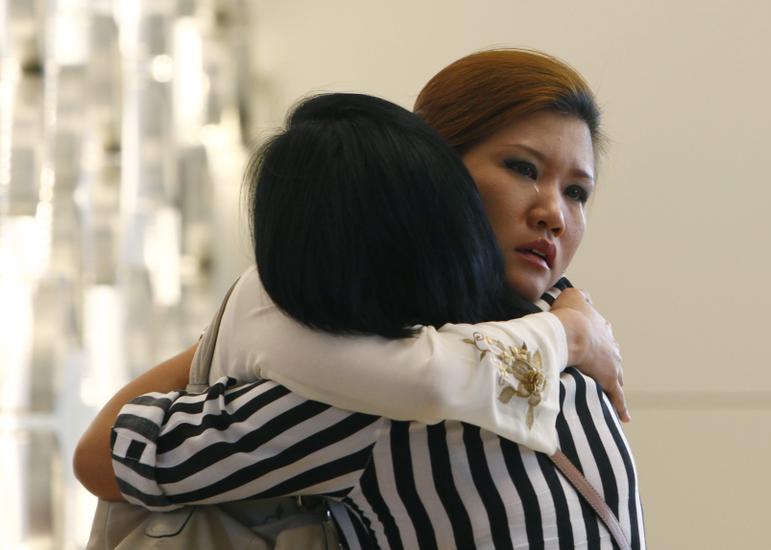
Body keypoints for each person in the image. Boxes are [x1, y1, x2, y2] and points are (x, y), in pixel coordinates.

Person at [76, 50, 644, 549]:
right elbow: (113, 454)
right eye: (523, 169)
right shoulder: (374, 390)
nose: (554, 213)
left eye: (578, 193)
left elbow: (108, 453)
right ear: (434, 174)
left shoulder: (566, 335)